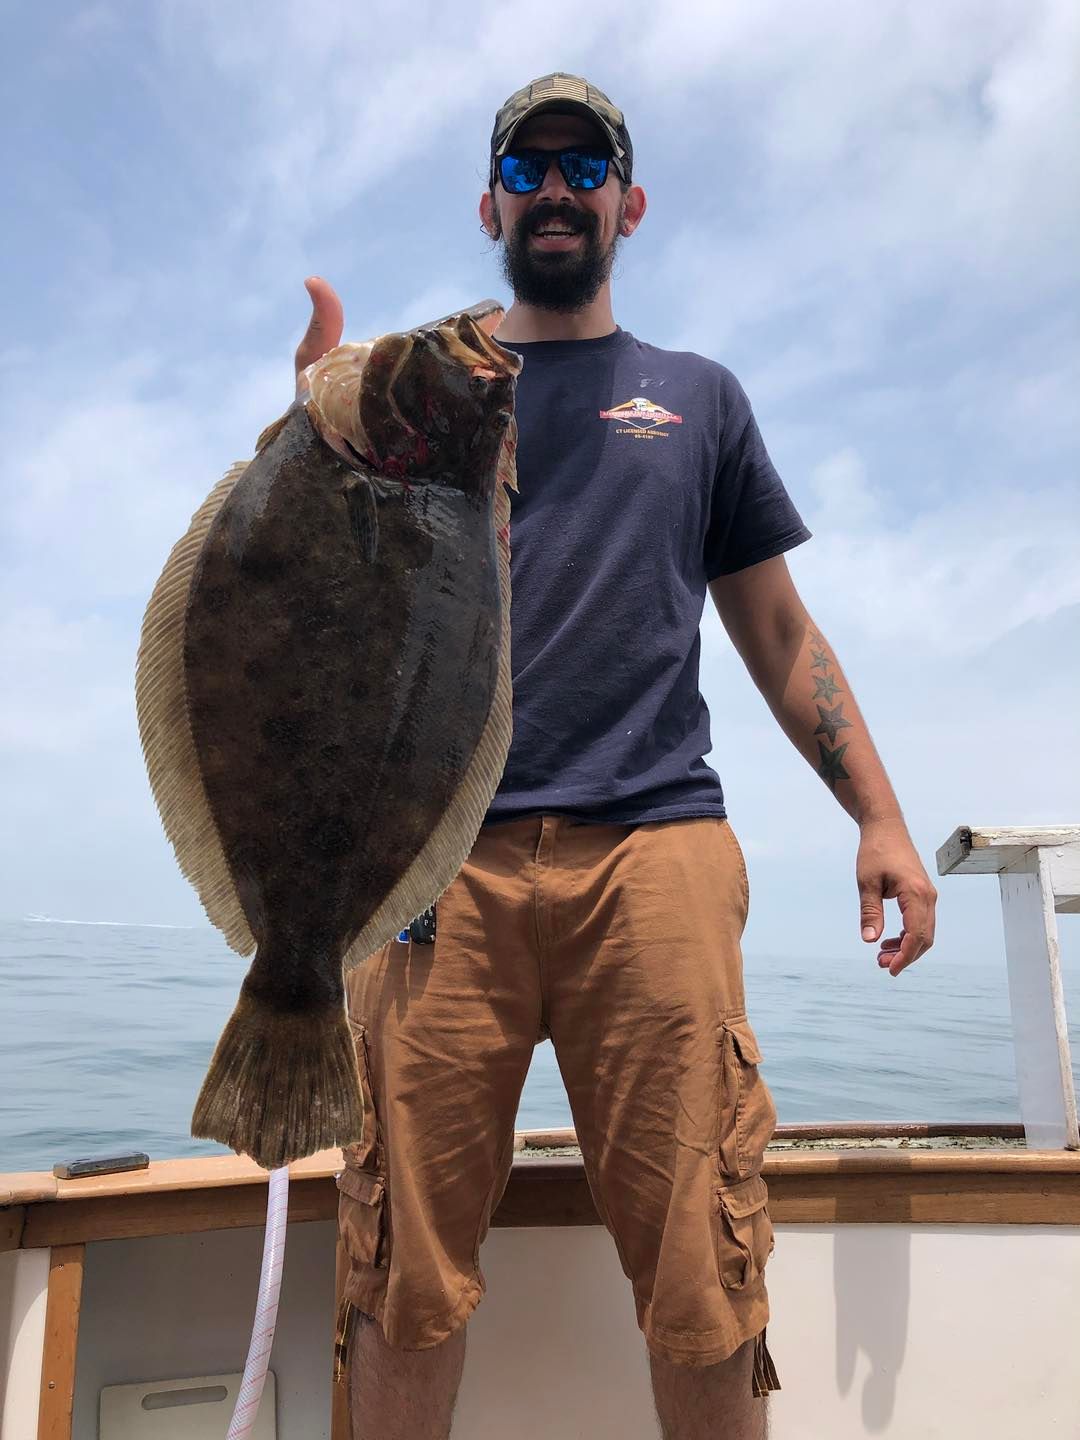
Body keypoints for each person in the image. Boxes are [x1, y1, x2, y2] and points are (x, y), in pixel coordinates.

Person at [295, 73, 938, 1440]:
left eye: (584, 169)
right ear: (490, 206)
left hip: (655, 855)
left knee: (705, 1262)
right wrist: (315, 446)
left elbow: (774, 627)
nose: (556, 192)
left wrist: (879, 817)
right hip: (434, 872)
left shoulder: (697, 397)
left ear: (627, 204)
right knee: (401, 1264)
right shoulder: (419, 389)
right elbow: (326, 599)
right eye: (526, 173)